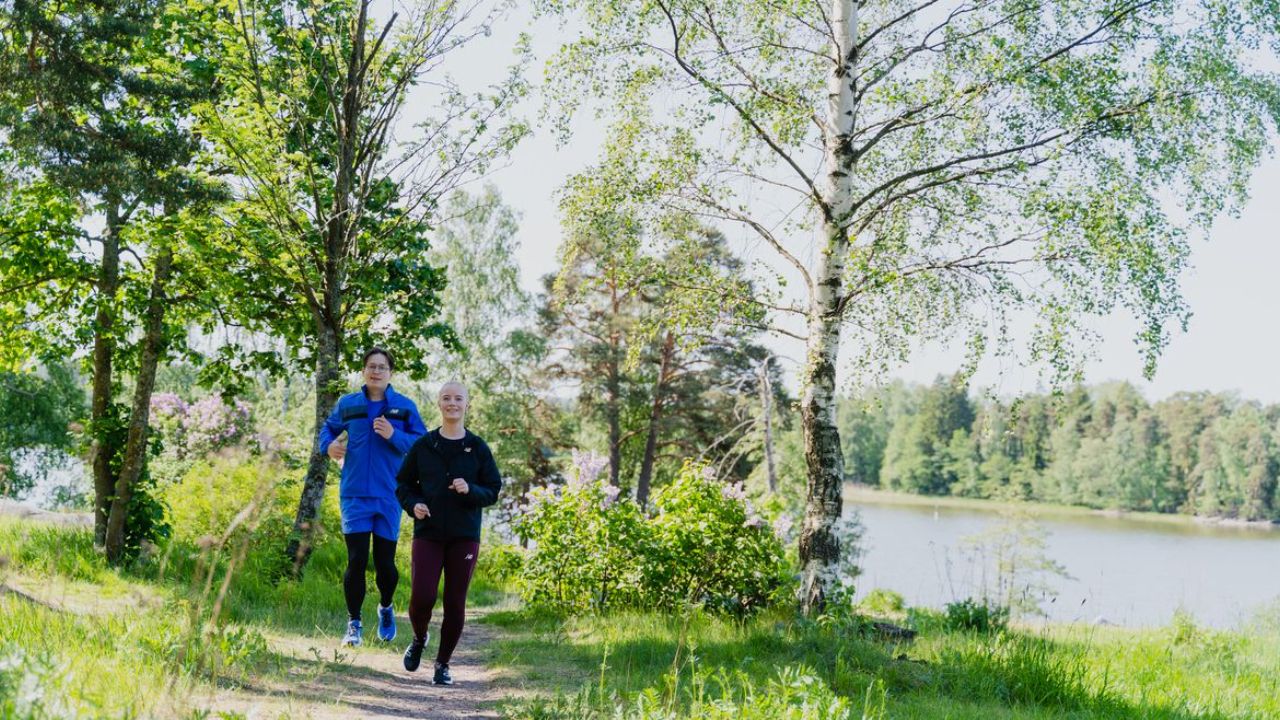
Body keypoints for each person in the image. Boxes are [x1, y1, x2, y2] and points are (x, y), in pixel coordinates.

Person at [395, 381, 502, 685]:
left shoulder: (478, 447)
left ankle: (442, 665)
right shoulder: (424, 445)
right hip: (427, 532)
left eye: (458, 398)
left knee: (455, 602)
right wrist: (413, 504)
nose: (452, 403)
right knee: (422, 597)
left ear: (468, 405)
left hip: (464, 535)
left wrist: (471, 490)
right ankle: (419, 638)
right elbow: (403, 484)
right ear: (439, 404)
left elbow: (492, 490)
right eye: (446, 398)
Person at [318, 348, 426, 646]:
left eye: (382, 367)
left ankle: (386, 607)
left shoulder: (404, 408)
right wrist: (328, 447)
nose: (376, 371)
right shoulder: (349, 404)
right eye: (371, 366)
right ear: (364, 371)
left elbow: (422, 445)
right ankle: (354, 623)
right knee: (356, 560)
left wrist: (394, 434)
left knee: (385, 564)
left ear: (390, 372)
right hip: (353, 494)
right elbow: (327, 429)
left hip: (389, 495)